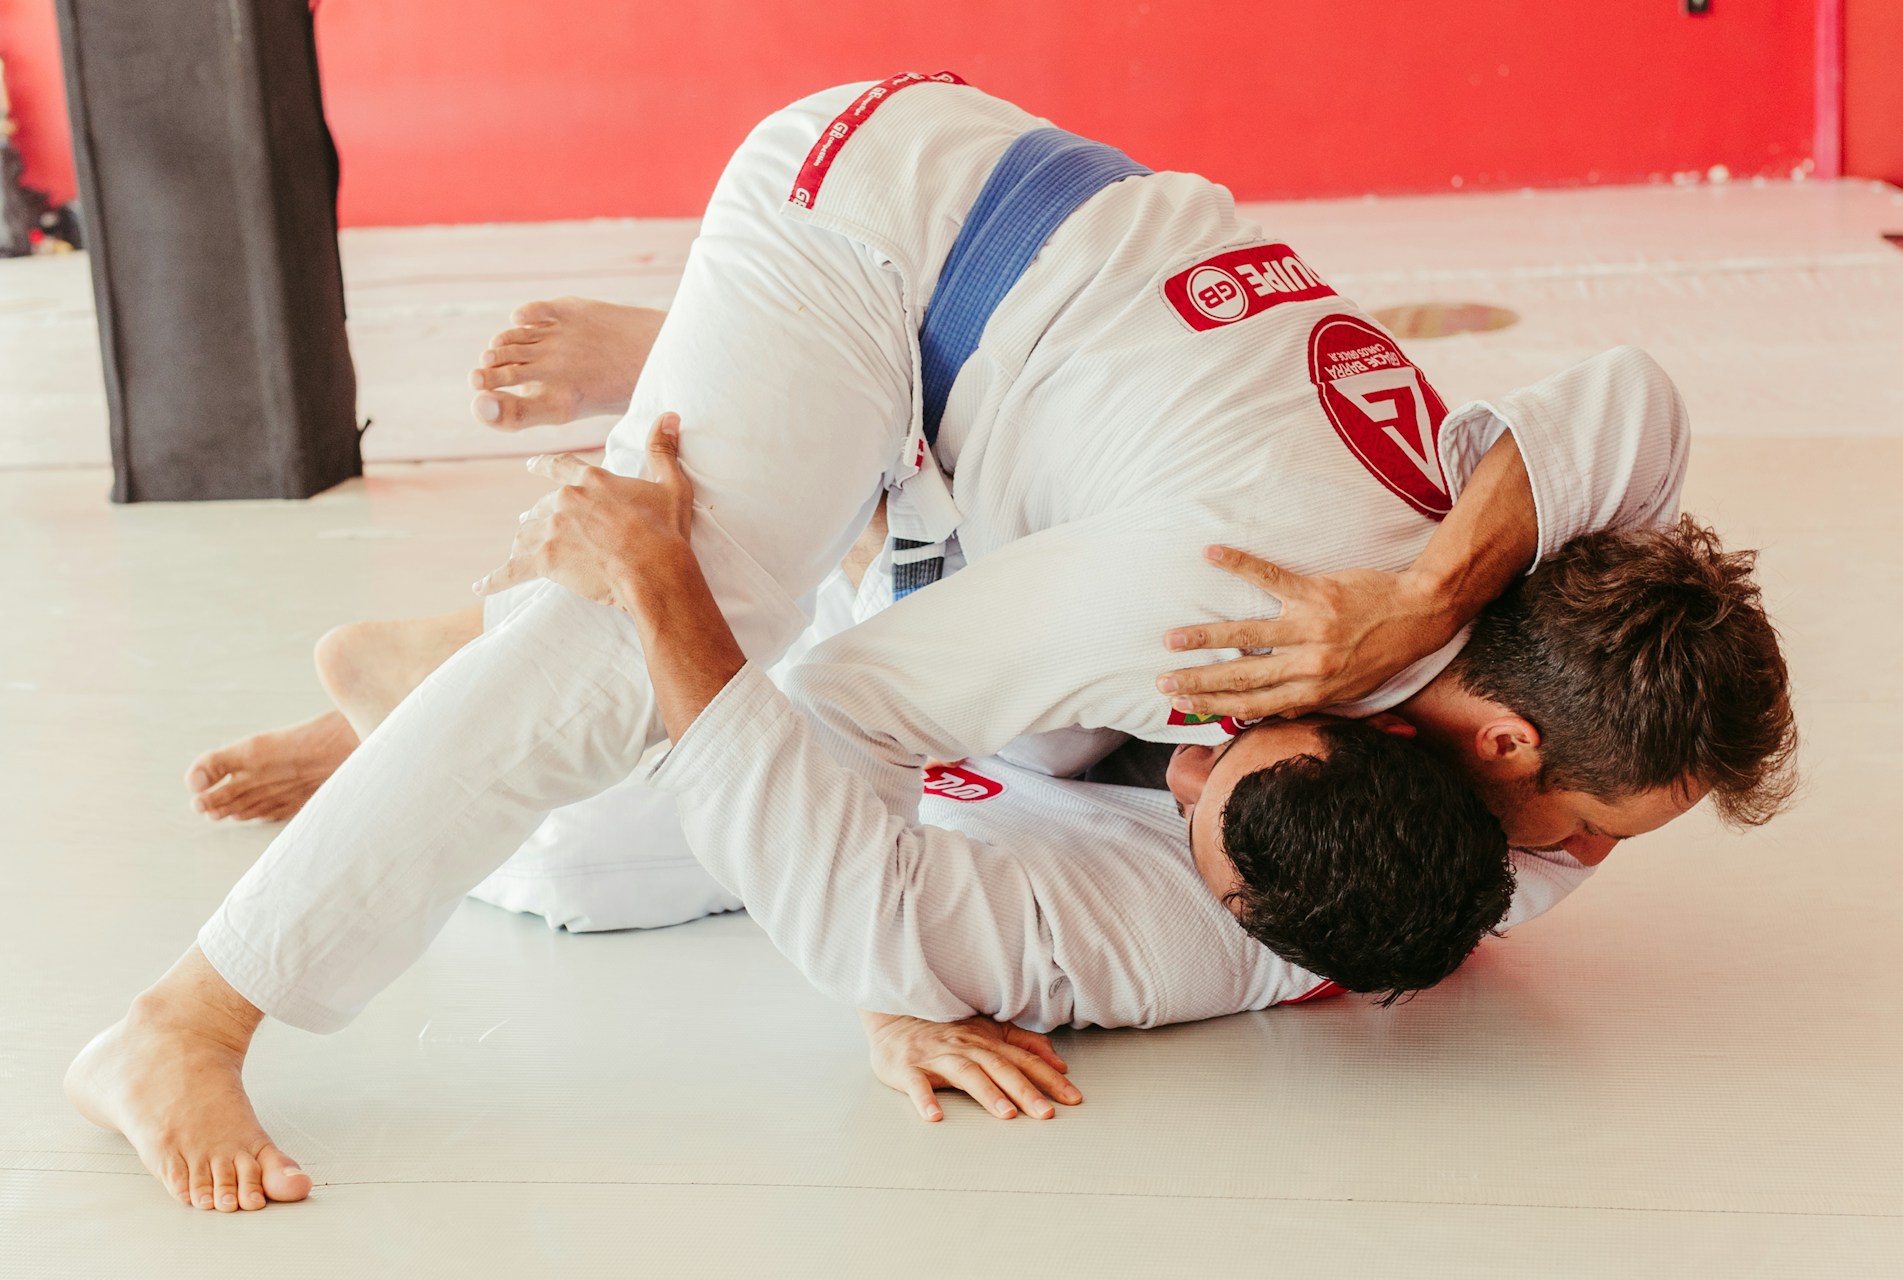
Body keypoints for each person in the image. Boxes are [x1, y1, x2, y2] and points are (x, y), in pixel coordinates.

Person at [67, 75, 1789, 1213]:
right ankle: (191, 1017)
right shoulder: (1226, 617)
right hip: (869, 242)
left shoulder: (1526, 560)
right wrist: (895, 988)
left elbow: (1632, 403)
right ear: (1500, 743)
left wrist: (1419, 596)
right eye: (1598, 825)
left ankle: (471, 656)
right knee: (635, 647)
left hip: (1020, 276)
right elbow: (828, 707)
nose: (1574, 862)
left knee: (931, 692)